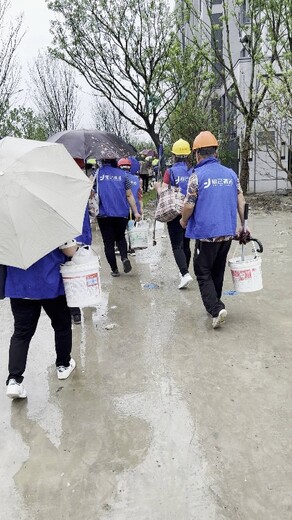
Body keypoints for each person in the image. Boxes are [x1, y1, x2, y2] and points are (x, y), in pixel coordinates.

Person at [180, 131, 246, 328]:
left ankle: (216, 309)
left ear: (197, 153)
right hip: (227, 232)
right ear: (215, 152)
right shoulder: (231, 174)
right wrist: (244, 225)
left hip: (206, 234)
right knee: (217, 270)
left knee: (202, 271)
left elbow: (189, 205)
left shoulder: (196, 176)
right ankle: (217, 304)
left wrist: (183, 221)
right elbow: (240, 200)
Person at [5, 240, 78, 399]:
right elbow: (70, 251)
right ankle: (63, 365)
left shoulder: (6, 224)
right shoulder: (50, 217)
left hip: (19, 285)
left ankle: (14, 381)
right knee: (62, 325)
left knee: (21, 333)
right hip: (50, 283)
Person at [155, 139, 193, 289]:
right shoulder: (193, 171)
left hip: (175, 212)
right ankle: (185, 270)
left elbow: (164, 192)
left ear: (174, 155)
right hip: (189, 211)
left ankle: (184, 273)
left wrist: (157, 187)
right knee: (186, 244)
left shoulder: (169, 172)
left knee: (177, 246)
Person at [95, 158, 141, 277]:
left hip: (104, 213)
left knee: (108, 242)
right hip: (121, 213)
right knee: (120, 237)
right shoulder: (123, 175)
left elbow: (90, 191)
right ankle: (124, 258)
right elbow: (129, 194)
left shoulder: (97, 174)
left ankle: (114, 270)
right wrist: (135, 212)